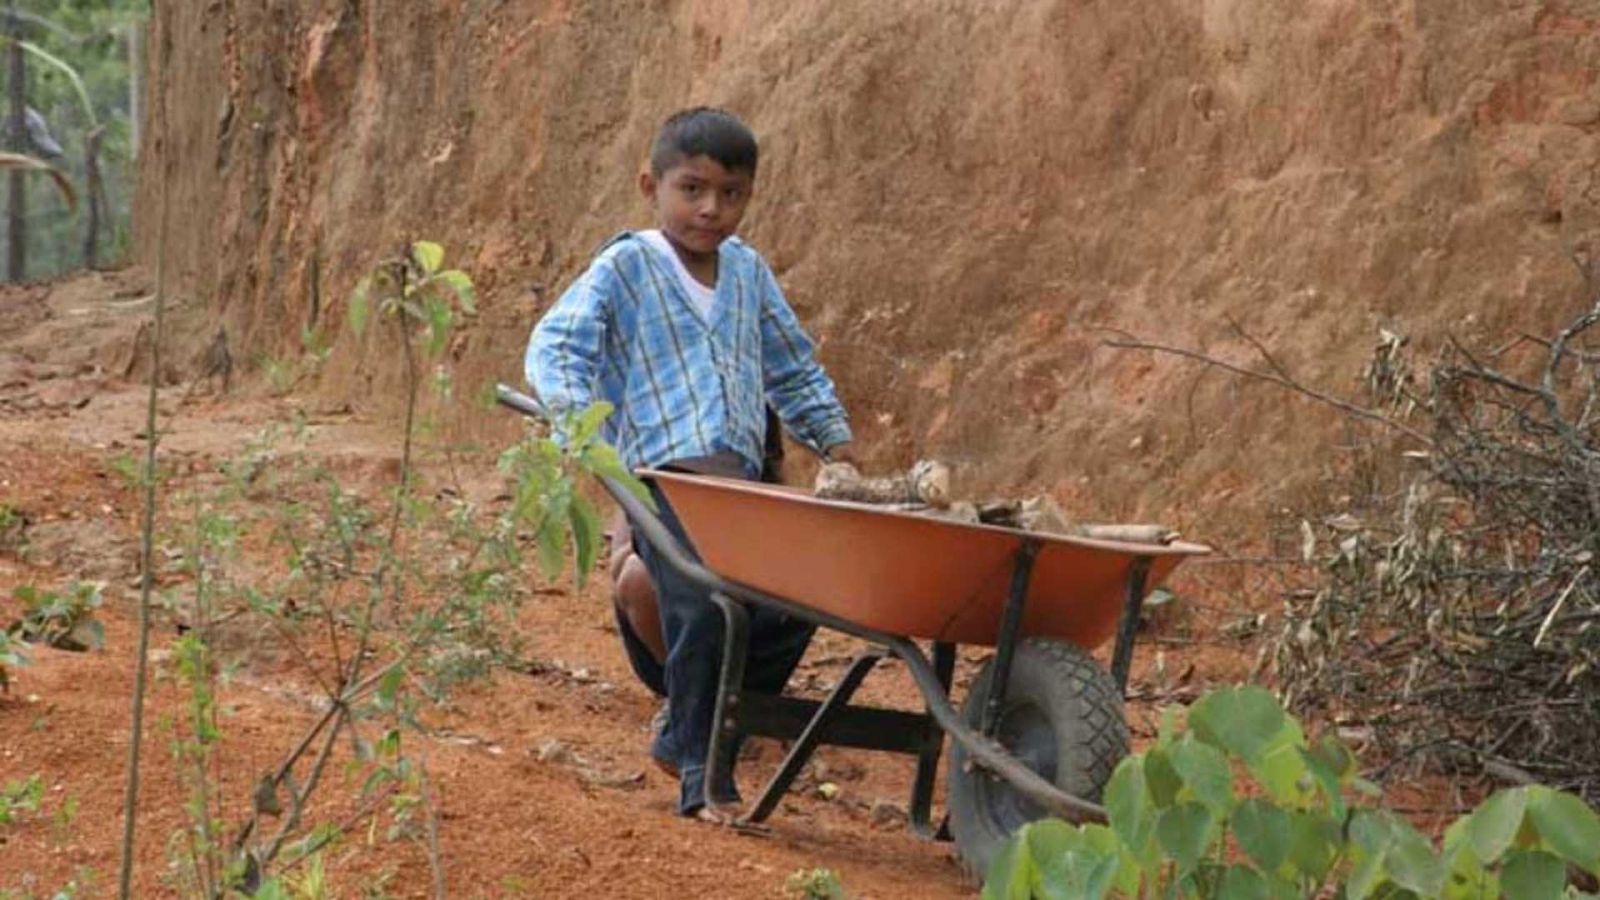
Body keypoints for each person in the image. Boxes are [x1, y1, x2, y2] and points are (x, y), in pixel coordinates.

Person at [524, 107, 856, 820]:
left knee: (798, 602)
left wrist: (836, 444)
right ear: (652, 183)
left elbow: (792, 368)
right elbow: (558, 345)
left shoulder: (747, 272)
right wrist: (580, 430)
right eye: (692, 189)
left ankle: (692, 724)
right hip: (664, 479)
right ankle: (706, 779)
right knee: (704, 609)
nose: (711, 209)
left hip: (742, 488)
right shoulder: (629, 265)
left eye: (731, 194)